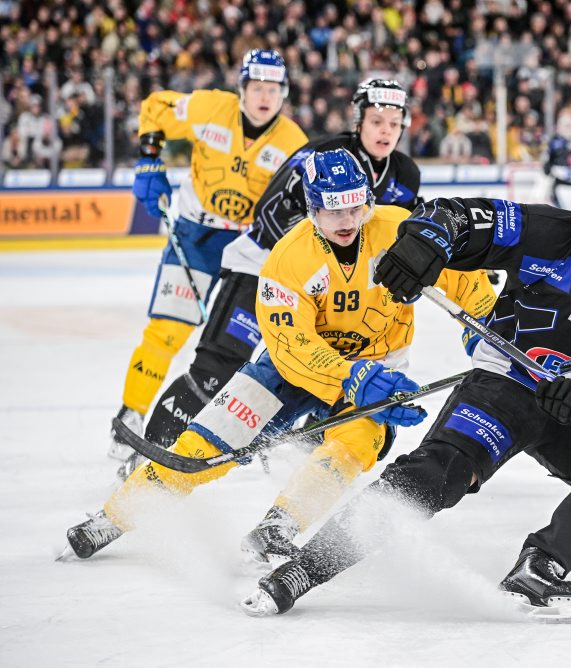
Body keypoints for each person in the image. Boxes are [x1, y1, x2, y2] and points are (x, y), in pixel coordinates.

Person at [241, 150, 571, 621]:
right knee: (435, 475)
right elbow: (452, 216)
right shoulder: (549, 233)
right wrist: (425, 243)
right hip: (504, 385)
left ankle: (539, 569)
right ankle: (300, 571)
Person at [63, 149, 496, 562]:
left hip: (378, 367)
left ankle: (279, 526)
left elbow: (464, 278)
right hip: (291, 370)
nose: (348, 220)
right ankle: (114, 516)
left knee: (355, 444)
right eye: (334, 211)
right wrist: (350, 376)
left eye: (355, 207)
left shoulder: (400, 230)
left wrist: (486, 328)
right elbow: (293, 348)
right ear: (312, 208)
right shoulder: (287, 260)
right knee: (207, 442)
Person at [125, 78, 422, 480]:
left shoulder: (405, 174)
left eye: (394, 123)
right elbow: (268, 212)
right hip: (265, 269)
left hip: (333, 293)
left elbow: (395, 235)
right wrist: (316, 260)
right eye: (376, 121)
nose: (385, 131)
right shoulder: (320, 154)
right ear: (358, 121)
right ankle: (153, 458)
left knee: (332, 375)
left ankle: (306, 452)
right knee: (218, 369)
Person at [106, 49, 308, 469]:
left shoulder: (294, 143)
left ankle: (227, 428)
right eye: (257, 88)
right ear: (241, 88)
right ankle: (130, 416)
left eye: (273, 89)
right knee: (167, 330)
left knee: (235, 348)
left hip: (252, 250)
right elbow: (155, 107)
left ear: (284, 93)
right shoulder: (209, 108)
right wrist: (149, 158)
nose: (264, 97)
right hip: (196, 237)